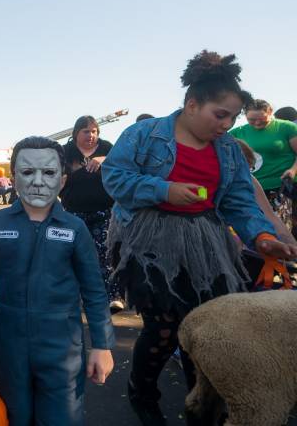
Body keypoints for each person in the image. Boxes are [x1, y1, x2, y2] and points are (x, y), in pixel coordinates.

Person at [102, 50, 297, 426]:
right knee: (163, 324)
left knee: (206, 323)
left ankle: (203, 403)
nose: (226, 124)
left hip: (206, 240)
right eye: (219, 115)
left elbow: (241, 200)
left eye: (232, 117)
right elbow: (115, 177)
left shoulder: (227, 150)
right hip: (149, 240)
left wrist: (261, 238)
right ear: (192, 104)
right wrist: (164, 189)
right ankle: (142, 392)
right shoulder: (145, 134)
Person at [0, 136, 115, 426]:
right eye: (27, 172)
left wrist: (102, 345)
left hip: (62, 349)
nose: (37, 181)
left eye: (48, 172)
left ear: (62, 180)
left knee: (62, 417)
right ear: (13, 177)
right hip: (11, 345)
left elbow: (94, 290)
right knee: (15, 414)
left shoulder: (75, 228)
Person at [60, 115, 124, 312]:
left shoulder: (106, 148)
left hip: (104, 211)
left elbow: (122, 163)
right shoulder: (66, 151)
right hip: (74, 212)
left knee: (106, 253)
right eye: (86, 131)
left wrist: (103, 159)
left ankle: (113, 295)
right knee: (76, 254)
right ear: (76, 133)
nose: (91, 135)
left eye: (94, 131)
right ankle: (77, 296)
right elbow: (56, 174)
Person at [230, 98, 297, 236]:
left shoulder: (287, 127)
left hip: (285, 186)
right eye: (251, 120)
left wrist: (292, 170)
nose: (257, 123)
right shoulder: (237, 132)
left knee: (285, 228)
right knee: (263, 229)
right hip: (256, 189)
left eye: (261, 118)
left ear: (270, 112)